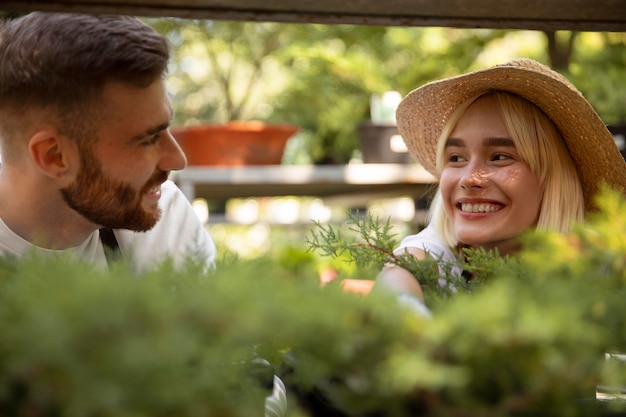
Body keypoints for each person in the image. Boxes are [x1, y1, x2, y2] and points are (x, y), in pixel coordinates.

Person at [375, 58, 626, 310]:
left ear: (551, 179)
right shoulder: (440, 251)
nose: (470, 178)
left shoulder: (597, 264)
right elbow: (399, 276)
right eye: (456, 158)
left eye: (499, 157)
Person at [0, 12, 216, 272]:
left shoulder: (166, 221)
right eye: (147, 140)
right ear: (54, 156)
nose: (177, 160)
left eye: (166, 127)